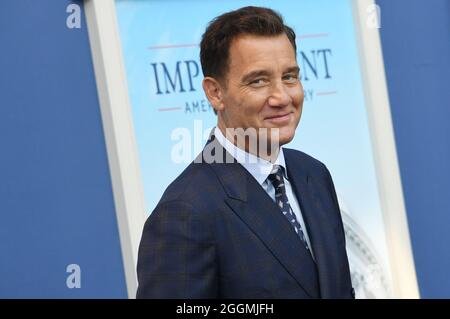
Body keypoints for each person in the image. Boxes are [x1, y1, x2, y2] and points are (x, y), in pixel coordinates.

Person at [136, 6, 354, 299]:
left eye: (289, 76)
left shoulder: (313, 174)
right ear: (215, 93)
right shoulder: (186, 211)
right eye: (258, 81)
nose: (282, 97)